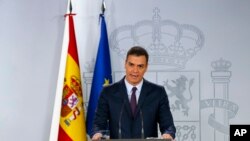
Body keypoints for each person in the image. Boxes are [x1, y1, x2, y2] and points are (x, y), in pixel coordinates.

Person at [91, 46, 176, 140]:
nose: (135, 70)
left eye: (140, 66)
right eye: (131, 64)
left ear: (146, 67)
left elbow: (168, 125)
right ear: (125, 64)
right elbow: (98, 124)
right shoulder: (108, 92)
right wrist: (97, 134)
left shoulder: (158, 93)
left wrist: (168, 135)